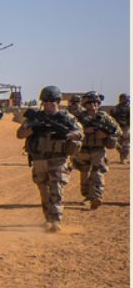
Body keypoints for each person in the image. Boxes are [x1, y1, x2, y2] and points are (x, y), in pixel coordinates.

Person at [17, 86, 83, 232]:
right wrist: (32, 129)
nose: (48, 104)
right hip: (39, 159)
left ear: (58, 101)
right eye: (46, 101)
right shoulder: (34, 117)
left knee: (56, 190)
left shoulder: (66, 118)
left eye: (52, 101)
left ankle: (56, 220)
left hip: (58, 159)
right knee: (43, 191)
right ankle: (48, 219)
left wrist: (68, 134)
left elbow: (79, 133)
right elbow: (20, 134)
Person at [73, 91, 121, 209]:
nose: (93, 105)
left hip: (98, 150)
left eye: (95, 103)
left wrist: (105, 135)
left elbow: (118, 131)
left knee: (98, 173)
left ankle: (96, 197)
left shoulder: (105, 118)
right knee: (84, 175)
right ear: (85, 105)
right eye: (90, 103)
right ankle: (87, 195)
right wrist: (84, 131)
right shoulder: (79, 117)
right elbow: (71, 130)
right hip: (82, 150)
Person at [111, 93, 130, 163]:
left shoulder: (114, 109)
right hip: (125, 128)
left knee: (122, 143)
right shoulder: (129, 109)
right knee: (125, 143)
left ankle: (124, 157)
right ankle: (124, 157)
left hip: (119, 128)